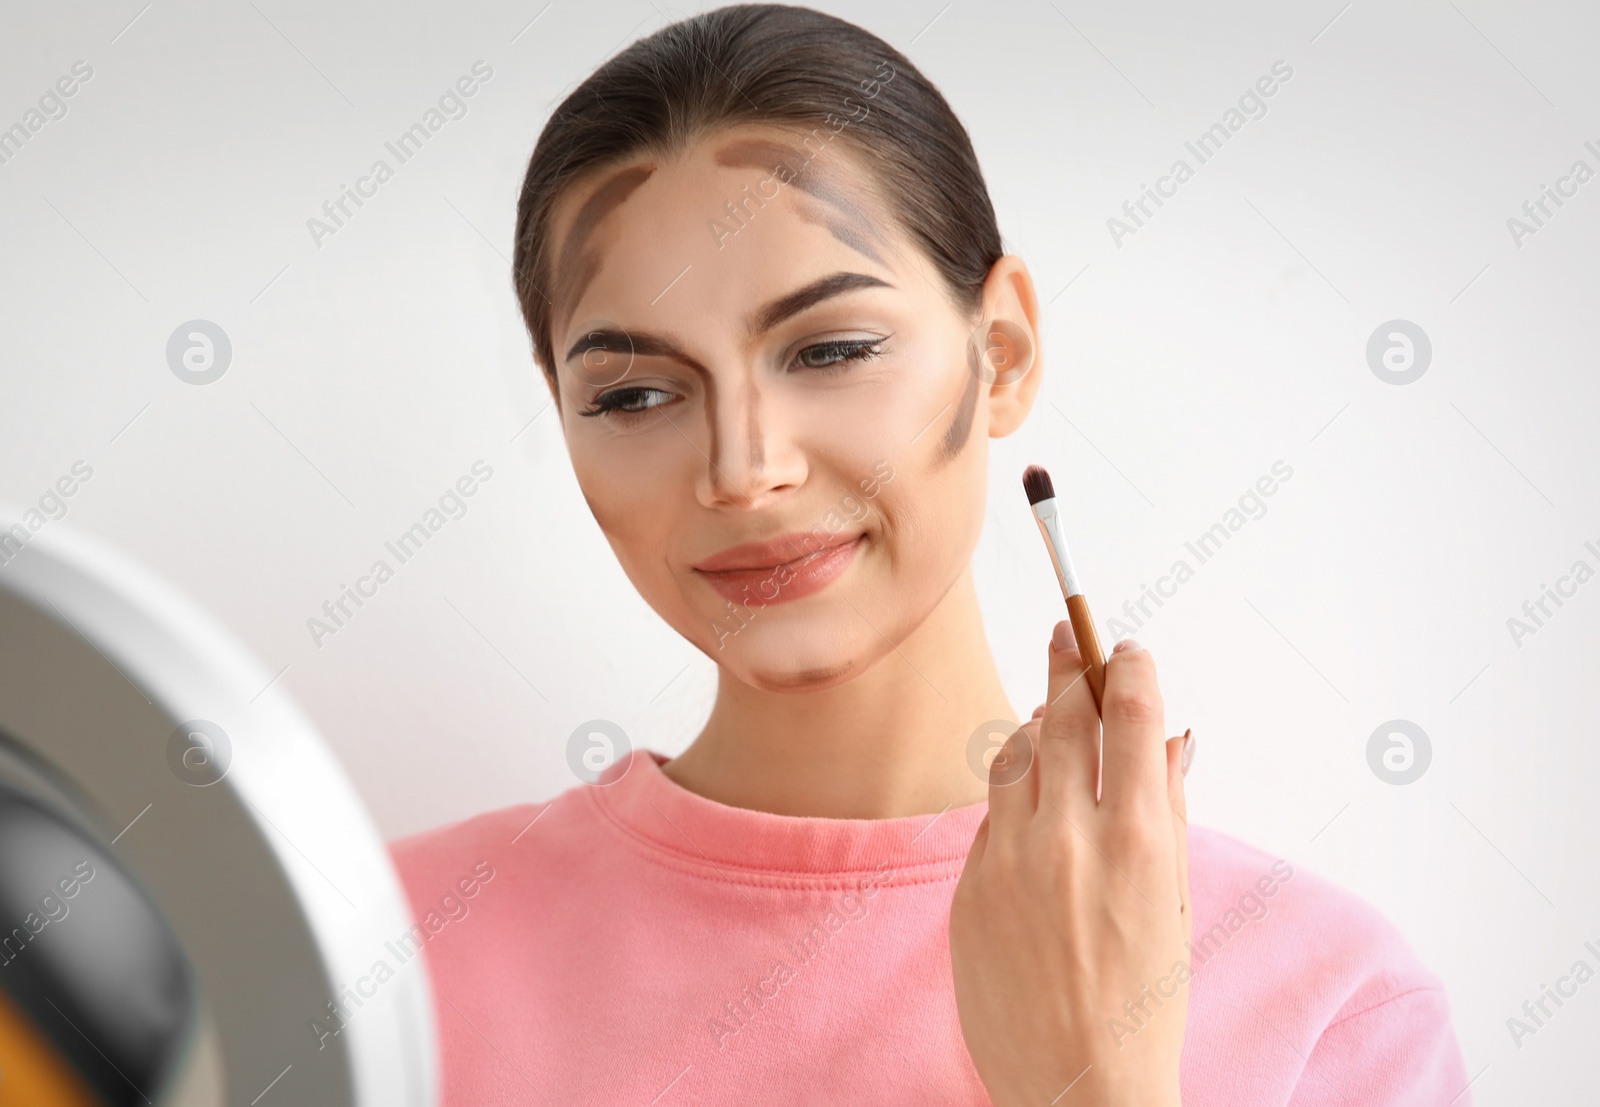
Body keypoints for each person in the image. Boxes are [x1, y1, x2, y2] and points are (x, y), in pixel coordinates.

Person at [390, 5, 1470, 1103]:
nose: (741, 468)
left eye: (831, 350)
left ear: (999, 354)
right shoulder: (375, 954)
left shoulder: (1331, 1010)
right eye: (634, 394)